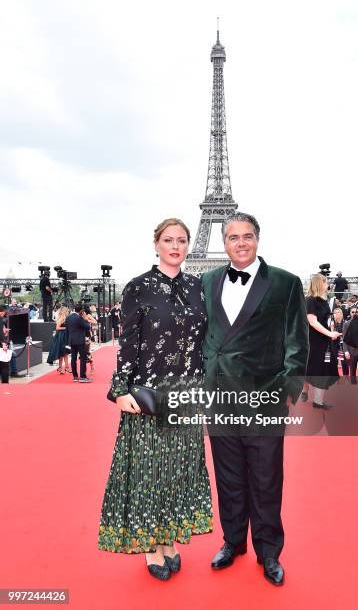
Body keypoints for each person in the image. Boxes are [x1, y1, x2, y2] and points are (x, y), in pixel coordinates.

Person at [98, 218, 213, 581]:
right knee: (149, 473)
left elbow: (208, 341)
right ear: (157, 244)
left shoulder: (199, 287)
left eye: (181, 240)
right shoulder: (138, 288)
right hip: (148, 394)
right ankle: (151, 547)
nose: (175, 246)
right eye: (168, 240)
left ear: (188, 244)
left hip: (189, 393)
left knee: (179, 472)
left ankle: (169, 541)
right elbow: (128, 343)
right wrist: (119, 391)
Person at [202, 212, 309, 586]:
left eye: (247, 236)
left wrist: (288, 388)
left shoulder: (285, 282)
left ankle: (268, 551)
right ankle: (233, 541)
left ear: (258, 239)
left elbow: (298, 339)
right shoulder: (208, 281)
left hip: (264, 399)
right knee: (229, 477)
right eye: (233, 237)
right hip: (220, 397)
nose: (241, 243)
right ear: (224, 242)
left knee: (265, 479)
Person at [301, 274, 341, 409]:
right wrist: (330, 333)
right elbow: (312, 322)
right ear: (320, 283)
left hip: (325, 341)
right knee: (311, 368)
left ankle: (318, 401)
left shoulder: (325, 301)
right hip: (313, 341)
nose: (328, 284)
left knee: (323, 369)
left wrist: (332, 329)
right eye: (326, 282)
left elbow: (325, 321)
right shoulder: (310, 300)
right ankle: (304, 389)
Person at [65, 304, 92, 383]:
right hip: (80, 341)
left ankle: (75, 376)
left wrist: (68, 341)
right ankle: (83, 376)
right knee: (83, 358)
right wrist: (85, 319)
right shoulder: (80, 318)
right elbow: (87, 327)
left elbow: (67, 330)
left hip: (72, 341)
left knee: (73, 359)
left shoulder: (68, 317)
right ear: (81, 310)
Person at [46, 306, 71, 373]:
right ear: (64, 312)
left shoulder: (66, 319)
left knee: (66, 352)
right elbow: (57, 328)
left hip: (65, 336)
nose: (68, 312)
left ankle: (66, 367)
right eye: (67, 311)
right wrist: (65, 328)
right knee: (62, 353)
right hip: (61, 336)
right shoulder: (60, 319)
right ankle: (61, 368)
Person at [332, 307, 349, 376]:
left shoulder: (345, 322)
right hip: (335, 343)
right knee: (334, 361)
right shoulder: (332, 323)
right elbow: (332, 335)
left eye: (338, 312)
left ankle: (346, 376)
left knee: (344, 362)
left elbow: (348, 334)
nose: (336, 314)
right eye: (335, 313)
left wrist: (338, 334)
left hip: (343, 344)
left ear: (341, 313)